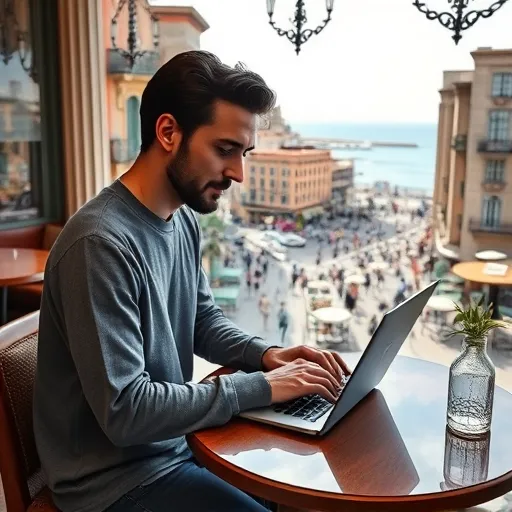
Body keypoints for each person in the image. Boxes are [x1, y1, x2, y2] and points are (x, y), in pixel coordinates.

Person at [33, 51, 349, 512]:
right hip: (112, 485)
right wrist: (261, 387)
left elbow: (201, 320)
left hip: (176, 449)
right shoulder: (98, 243)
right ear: (168, 132)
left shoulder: (181, 220)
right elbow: (126, 410)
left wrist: (266, 356)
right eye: (225, 150)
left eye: (244, 153)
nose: (238, 173)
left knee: (309, 494)